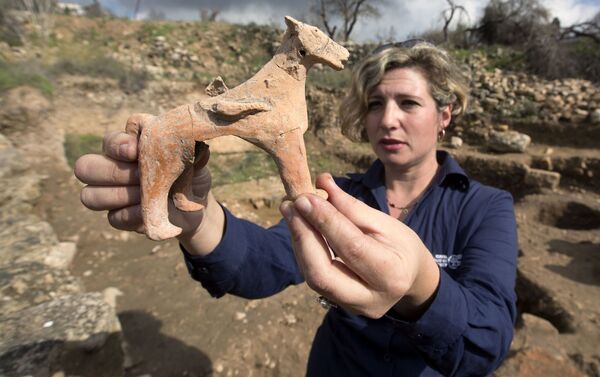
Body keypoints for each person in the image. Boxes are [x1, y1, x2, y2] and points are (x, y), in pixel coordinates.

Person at [75, 40, 518, 376]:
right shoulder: (341, 195)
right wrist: (198, 218)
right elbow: (265, 262)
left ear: (445, 114)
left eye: (409, 103)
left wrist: (423, 286)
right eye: (375, 104)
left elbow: (491, 337)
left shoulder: (484, 207)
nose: (387, 120)